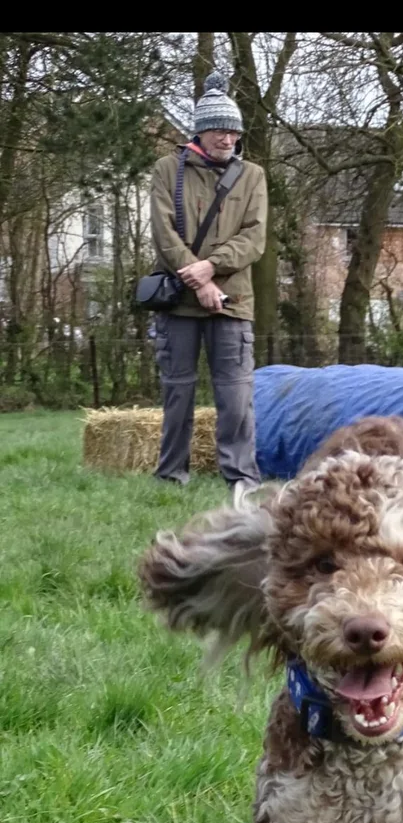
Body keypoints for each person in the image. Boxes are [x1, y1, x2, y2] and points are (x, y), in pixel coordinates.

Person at [149, 68, 267, 507]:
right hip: (179, 301)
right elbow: (163, 234)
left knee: (236, 396)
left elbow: (254, 237)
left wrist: (211, 269)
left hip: (233, 302)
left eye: (234, 131)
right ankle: (170, 476)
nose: (227, 138)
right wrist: (196, 279)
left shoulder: (252, 175)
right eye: (219, 129)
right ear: (200, 131)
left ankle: (241, 481)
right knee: (177, 392)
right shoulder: (167, 170)